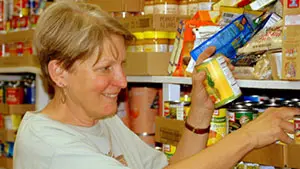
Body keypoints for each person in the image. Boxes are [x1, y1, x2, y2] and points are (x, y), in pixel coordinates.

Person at [13, 1, 300, 169]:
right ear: (59, 72)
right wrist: (248, 137)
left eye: (121, 65)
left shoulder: (100, 117)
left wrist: (200, 110)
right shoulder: (49, 145)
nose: (122, 82)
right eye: (105, 69)